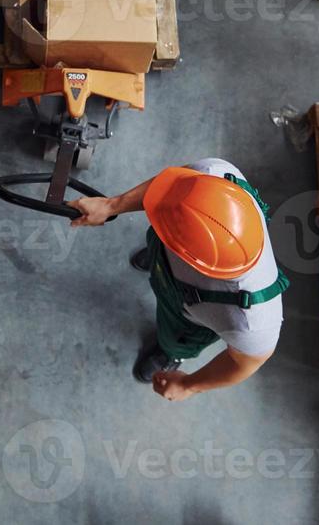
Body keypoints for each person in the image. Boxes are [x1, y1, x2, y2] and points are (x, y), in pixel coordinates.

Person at [67, 159, 287, 402]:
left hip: (187, 310)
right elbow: (169, 187)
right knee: (158, 240)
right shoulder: (215, 175)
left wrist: (189, 385)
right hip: (169, 254)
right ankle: (158, 258)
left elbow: (246, 363)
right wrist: (112, 205)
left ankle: (170, 352)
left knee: (174, 338)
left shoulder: (251, 322)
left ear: (192, 260)